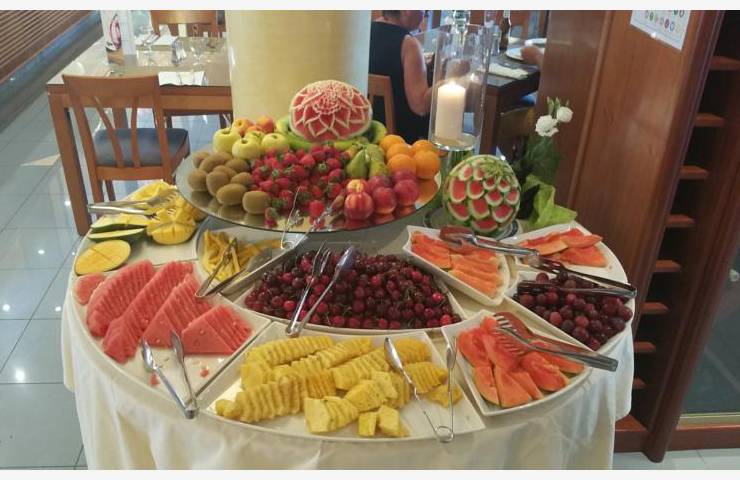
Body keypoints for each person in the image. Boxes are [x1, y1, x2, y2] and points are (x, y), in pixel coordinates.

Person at [369, 11, 433, 142]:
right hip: (399, 141)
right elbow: (420, 106)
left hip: (367, 129)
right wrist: (447, 80)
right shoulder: (409, 44)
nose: (424, 14)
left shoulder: (365, 30)